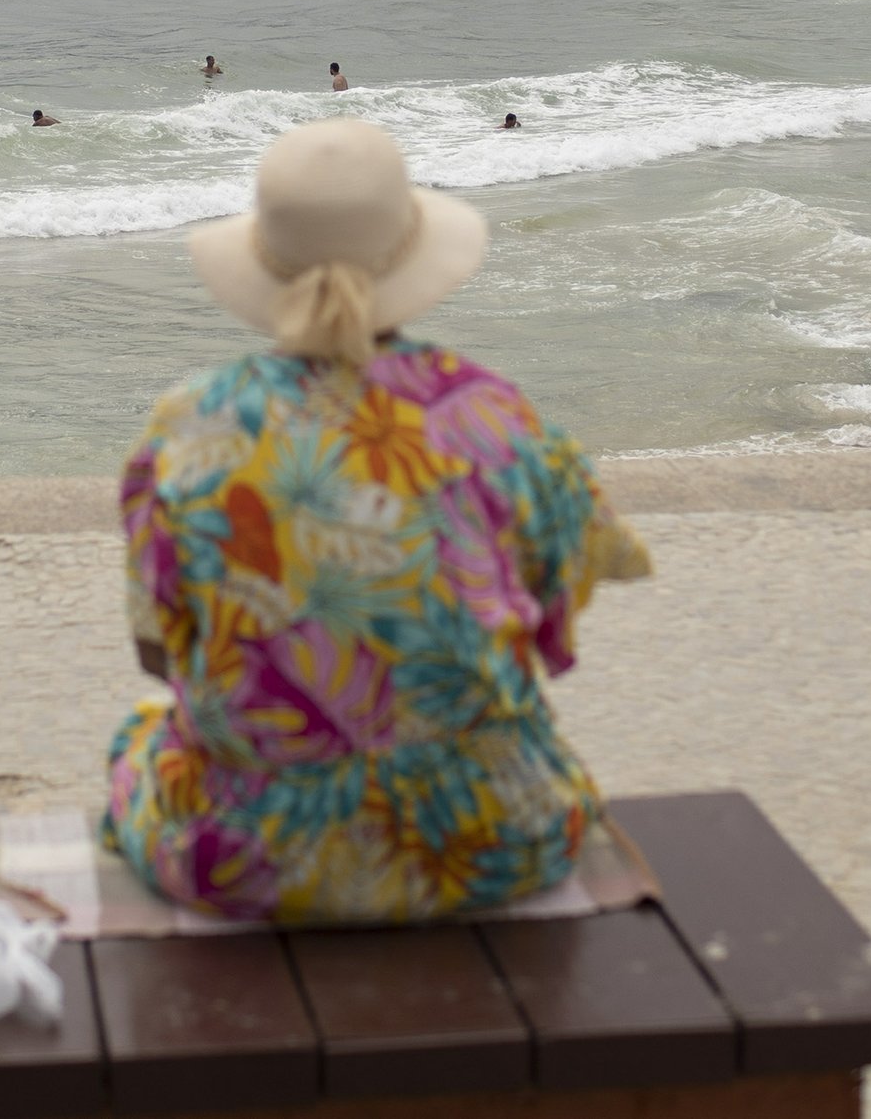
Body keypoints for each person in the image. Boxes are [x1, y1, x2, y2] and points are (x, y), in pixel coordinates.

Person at [103, 119, 649, 923]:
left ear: (264, 258)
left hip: (252, 858)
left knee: (138, 737)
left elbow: (159, 656)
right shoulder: (493, 416)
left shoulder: (191, 426)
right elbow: (546, 624)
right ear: (413, 248)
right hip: (499, 838)